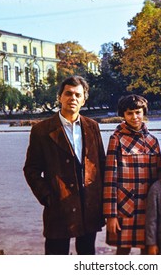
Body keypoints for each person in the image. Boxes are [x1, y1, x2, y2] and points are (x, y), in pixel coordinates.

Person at [23, 76, 106, 255]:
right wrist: (47, 196)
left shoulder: (92, 127)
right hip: (58, 205)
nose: (73, 98)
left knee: (87, 254)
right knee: (56, 255)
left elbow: (101, 163)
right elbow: (31, 169)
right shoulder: (42, 130)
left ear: (84, 99)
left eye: (78, 95)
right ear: (60, 97)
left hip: (88, 204)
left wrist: (100, 197)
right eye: (68, 93)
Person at [103, 94, 161, 255]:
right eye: (129, 113)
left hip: (149, 207)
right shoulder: (116, 139)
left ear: (144, 112)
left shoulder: (152, 140)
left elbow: (159, 178)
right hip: (125, 206)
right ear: (123, 115)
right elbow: (109, 178)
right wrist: (111, 215)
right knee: (123, 249)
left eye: (138, 112)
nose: (134, 117)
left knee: (148, 248)